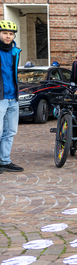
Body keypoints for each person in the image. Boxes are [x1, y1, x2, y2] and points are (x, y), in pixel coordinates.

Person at [0, 20, 24, 173]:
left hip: (12, 96)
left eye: (11, 34)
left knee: (10, 131)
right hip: (0, 97)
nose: (8, 36)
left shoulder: (15, 52)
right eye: (4, 33)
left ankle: (4, 160)